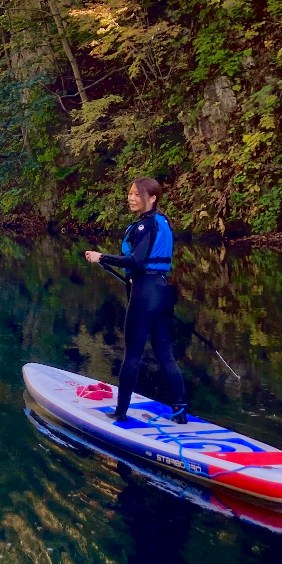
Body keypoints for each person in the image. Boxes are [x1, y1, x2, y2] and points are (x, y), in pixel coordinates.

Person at [83, 177, 187, 423]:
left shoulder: (145, 226)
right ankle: (180, 412)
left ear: (152, 198)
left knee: (132, 354)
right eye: (130, 193)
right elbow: (146, 263)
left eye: (137, 194)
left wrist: (101, 257)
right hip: (162, 291)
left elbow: (136, 262)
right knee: (165, 354)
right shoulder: (162, 222)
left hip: (145, 295)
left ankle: (120, 413)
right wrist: (134, 277)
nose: (131, 198)